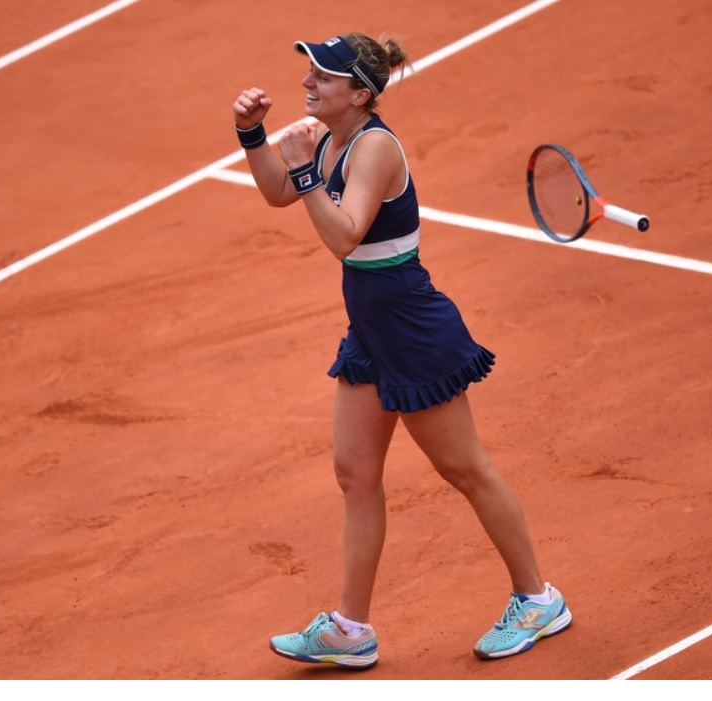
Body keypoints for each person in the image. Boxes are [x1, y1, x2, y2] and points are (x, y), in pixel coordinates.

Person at [231, 32, 571, 669]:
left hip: (414, 333)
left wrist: (303, 171)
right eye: (310, 72)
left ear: (360, 94)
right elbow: (279, 194)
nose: (307, 83)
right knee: (355, 475)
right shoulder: (331, 138)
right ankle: (350, 629)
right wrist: (252, 136)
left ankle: (538, 599)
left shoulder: (375, 148)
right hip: (372, 333)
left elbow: (343, 235)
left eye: (323, 77)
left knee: (465, 470)